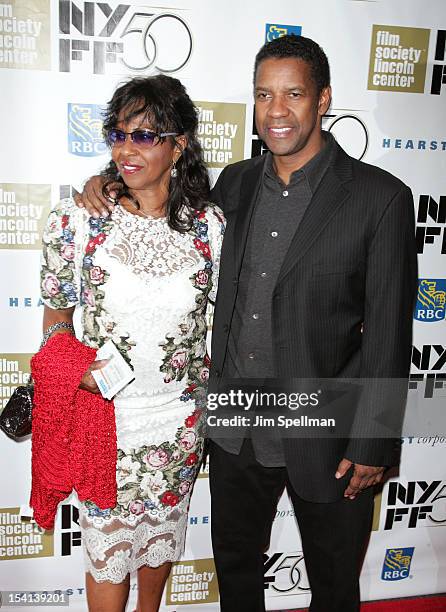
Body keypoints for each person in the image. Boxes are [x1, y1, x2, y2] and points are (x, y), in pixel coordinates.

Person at [76, 35, 417, 612]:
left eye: (292, 94)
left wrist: (375, 441)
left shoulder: (379, 198)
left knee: (334, 589)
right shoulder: (232, 185)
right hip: (235, 425)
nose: (276, 111)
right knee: (236, 582)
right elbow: (162, 204)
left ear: (323, 99)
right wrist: (108, 185)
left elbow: (389, 329)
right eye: (263, 95)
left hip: (327, 429)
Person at [39, 75, 224, 612]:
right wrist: (79, 369)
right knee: (108, 556)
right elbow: (54, 325)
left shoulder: (209, 227)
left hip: (181, 424)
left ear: (179, 143)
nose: (126, 148)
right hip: (105, 423)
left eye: (145, 135)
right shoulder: (76, 223)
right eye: (118, 134)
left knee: (159, 545)